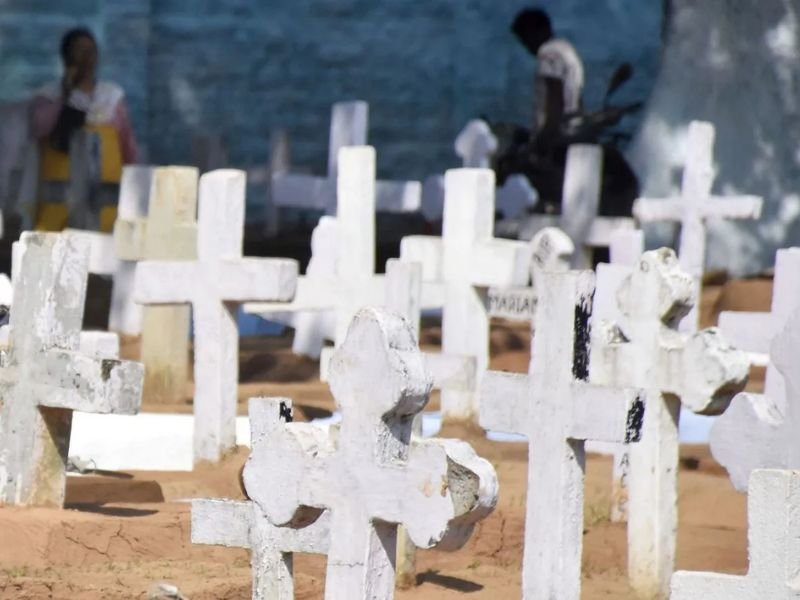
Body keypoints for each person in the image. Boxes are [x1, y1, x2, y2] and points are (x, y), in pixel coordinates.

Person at [29, 27, 138, 230]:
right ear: (66, 56)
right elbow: (41, 131)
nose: (87, 57)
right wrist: (69, 92)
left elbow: (127, 146)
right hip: (60, 197)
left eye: (92, 50)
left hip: (104, 199)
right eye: (80, 50)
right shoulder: (48, 97)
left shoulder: (111, 97)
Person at [511, 8, 585, 145]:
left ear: (539, 31)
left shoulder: (548, 53)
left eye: (526, 38)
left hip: (558, 136)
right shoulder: (566, 49)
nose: (526, 46)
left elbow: (555, 97)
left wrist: (545, 137)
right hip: (574, 130)